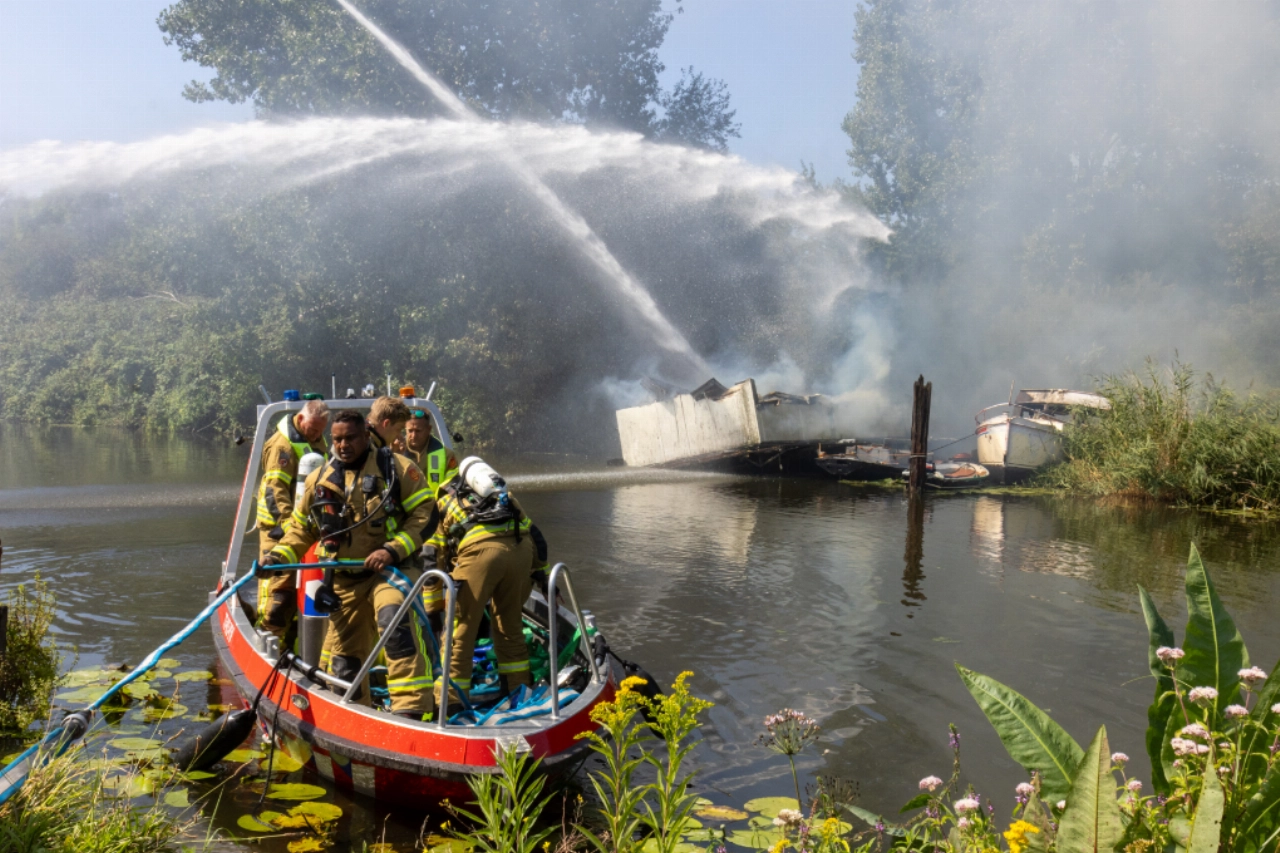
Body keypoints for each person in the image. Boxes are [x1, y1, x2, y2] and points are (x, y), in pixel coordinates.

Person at [262, 409, 437, 720]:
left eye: (350, 438)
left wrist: (393, 550)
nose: (343, 445)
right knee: (344, 662)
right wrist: (277, 558)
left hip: (390, 572)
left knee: (394, 620)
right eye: (337, 439)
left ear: (365, 436)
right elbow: (302, 529)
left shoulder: (396, 469)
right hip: (344, 580)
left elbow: (426, 514)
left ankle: (411, 712)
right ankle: (357, 715)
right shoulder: (320, 480)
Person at [432, 460, 546, 715]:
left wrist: (432, 608)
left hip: (479, 555)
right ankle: (518, 691)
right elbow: (535, 535)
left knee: (459, 632)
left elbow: (434, 554)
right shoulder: (505, 496)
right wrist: (544, 575)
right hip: (520, 552)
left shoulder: (443, 503)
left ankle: (449, 703)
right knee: (510, 626)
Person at [255, 399, 329, 637]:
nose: (317, 434)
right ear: (299, 420)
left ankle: (296, 638)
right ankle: (269, 636)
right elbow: (274, 490)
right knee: (278, 585)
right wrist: (288, 525)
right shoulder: (281, 446)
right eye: (313, 428)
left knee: (308, 584)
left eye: (321, 430)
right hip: (278, 528)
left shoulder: (316, 440)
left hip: (307, 528)